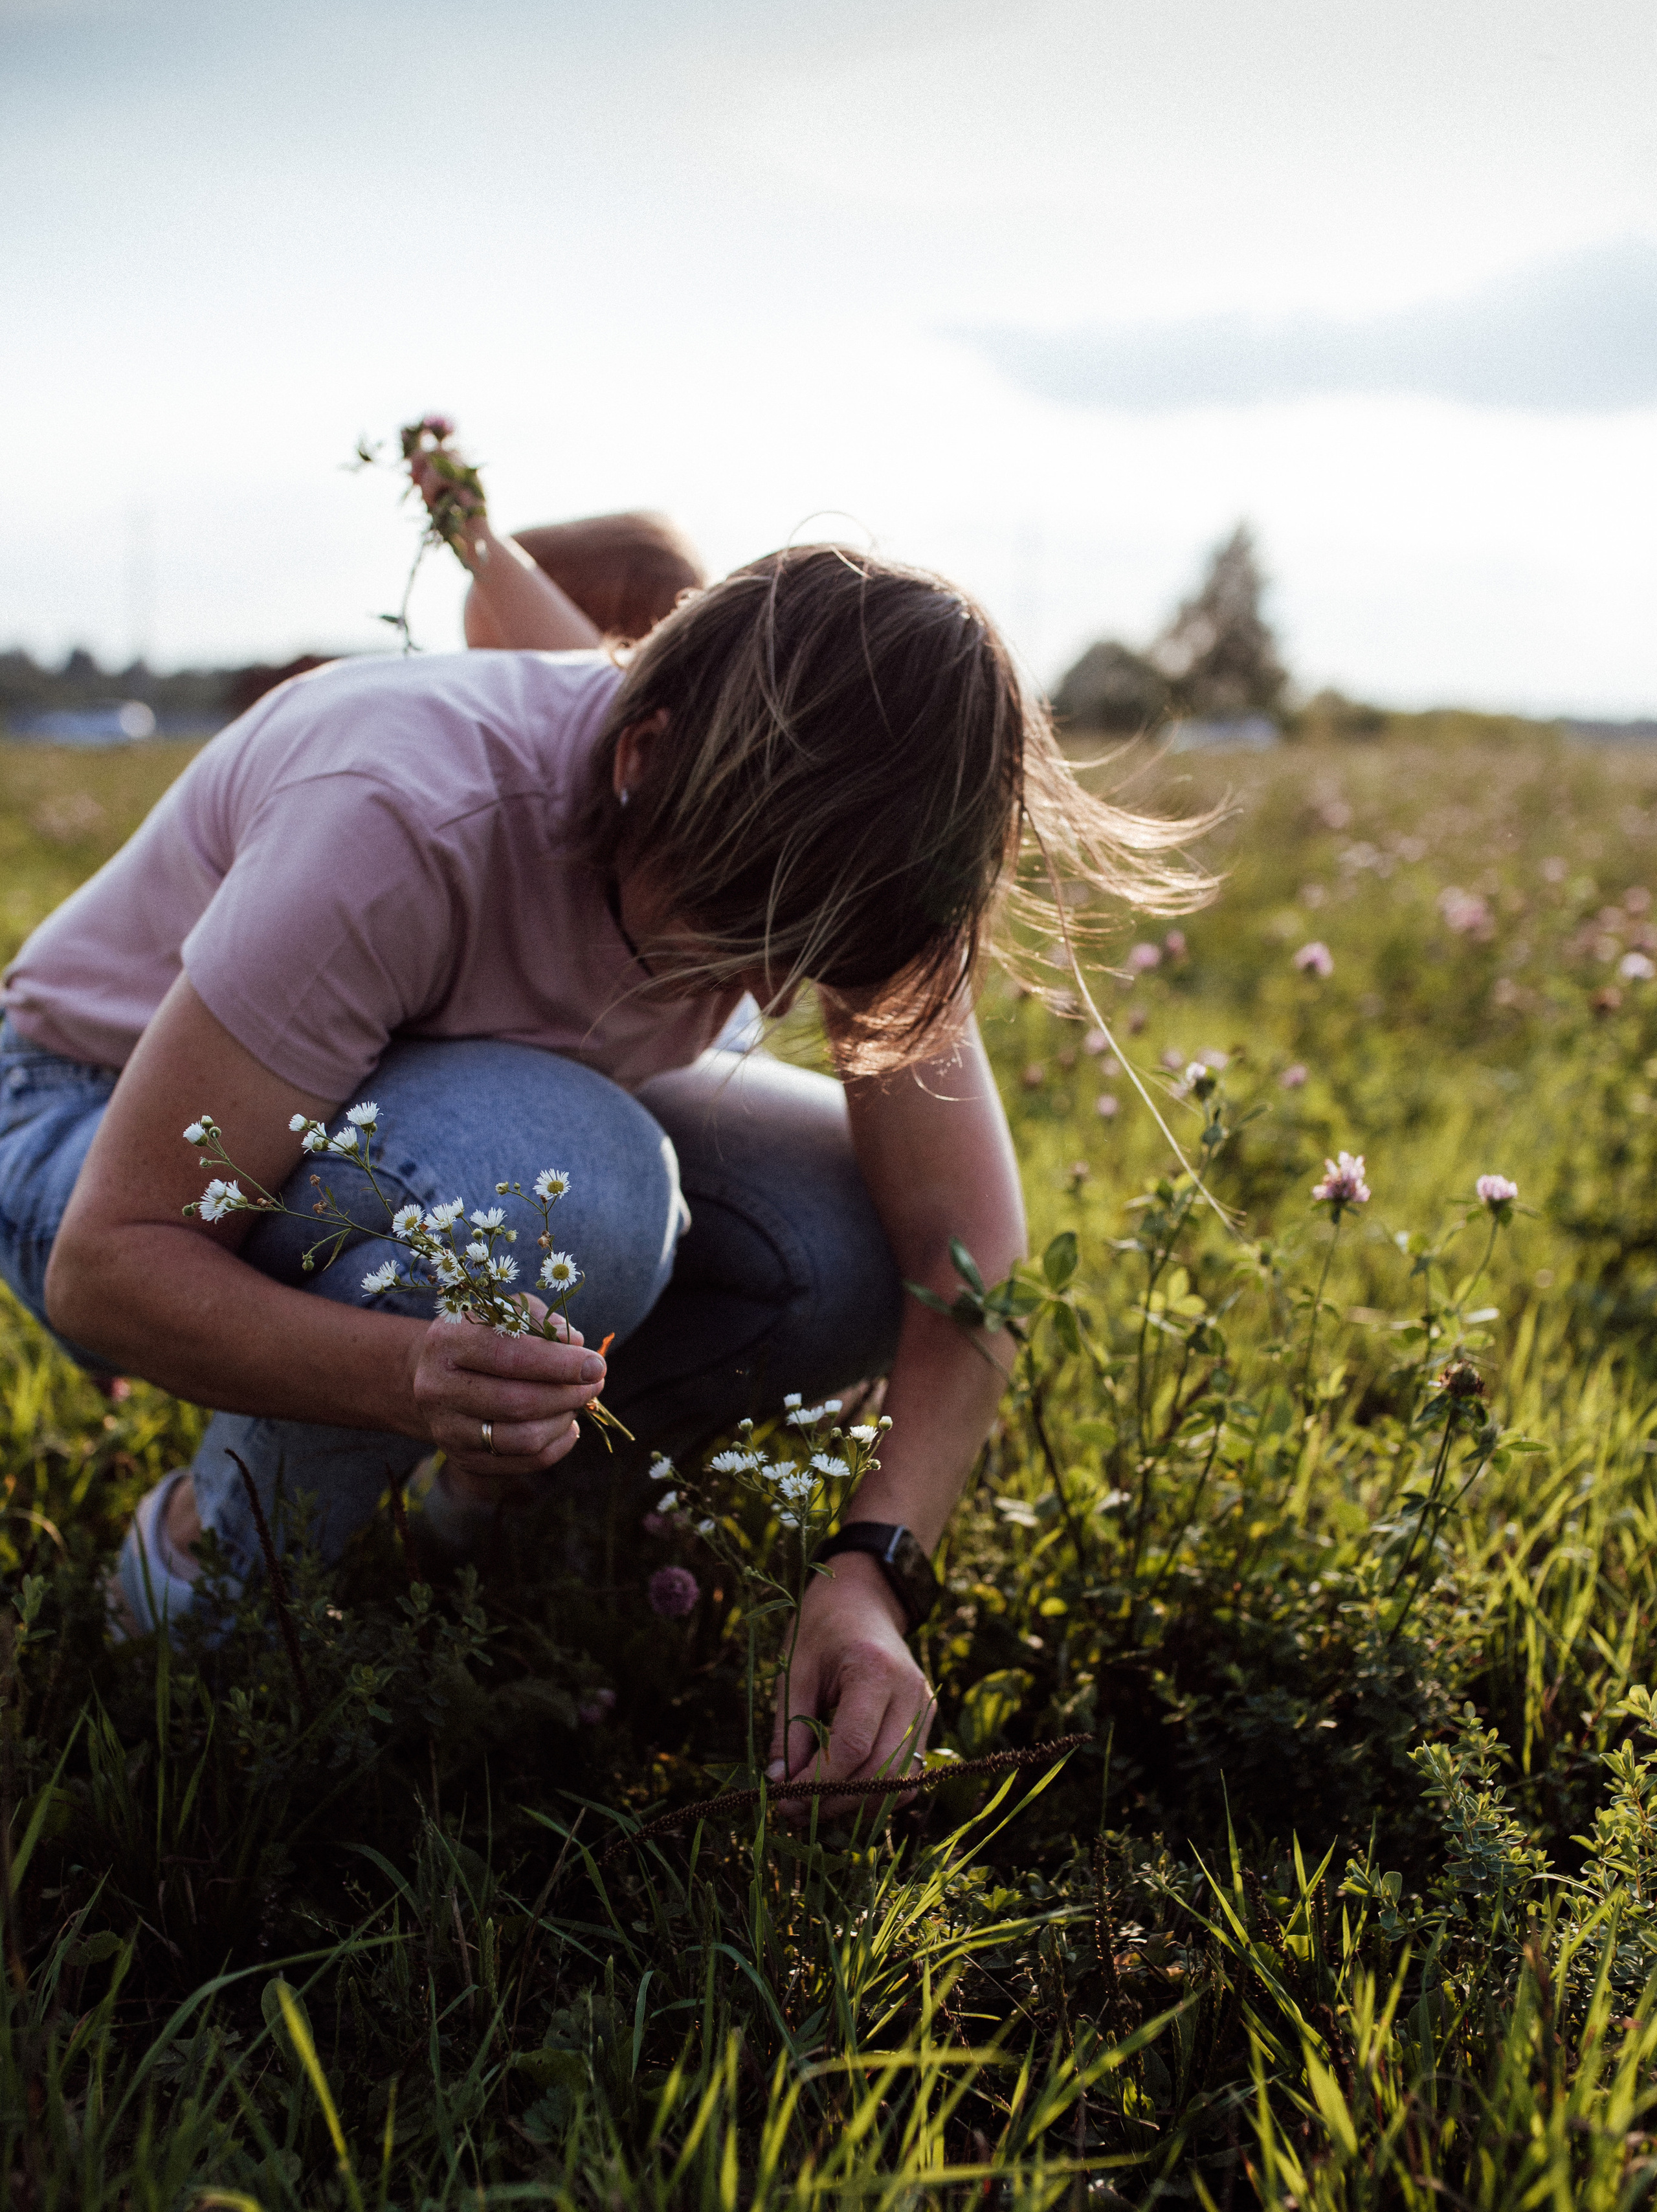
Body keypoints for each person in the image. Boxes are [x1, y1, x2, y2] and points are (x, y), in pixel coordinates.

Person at [0, 480, 1196, 1799]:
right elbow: (109, 1264)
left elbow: (965, 1264)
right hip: (93, 1122)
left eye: (811, 966)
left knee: (840, 1237)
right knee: (571, 1186)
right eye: (734, 941)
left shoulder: (835, 844)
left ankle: (502, 1526)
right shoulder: (401, 815)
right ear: (642, 761)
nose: (771, 1001)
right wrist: (405, 1375)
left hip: (429, 1100)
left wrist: (870, 1573)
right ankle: (205, 1577)